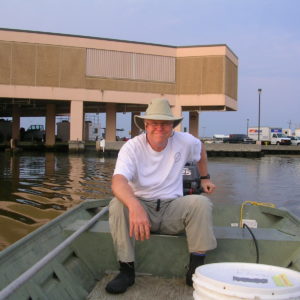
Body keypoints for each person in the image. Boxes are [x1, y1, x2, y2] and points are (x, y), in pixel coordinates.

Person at [105, 98, 217, 294]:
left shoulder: (185, 141)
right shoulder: (131, 147)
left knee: (201, 203)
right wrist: (135, 206)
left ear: (172, 126)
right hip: (141, 209)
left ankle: (195, 270)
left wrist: (205, 178)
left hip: (172, 207)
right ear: (146, 125)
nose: (160, 127)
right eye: (154, 123)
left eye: (165, 123)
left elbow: (201, 150)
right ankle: (126, 270)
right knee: (117, 204)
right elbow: (118, 182)